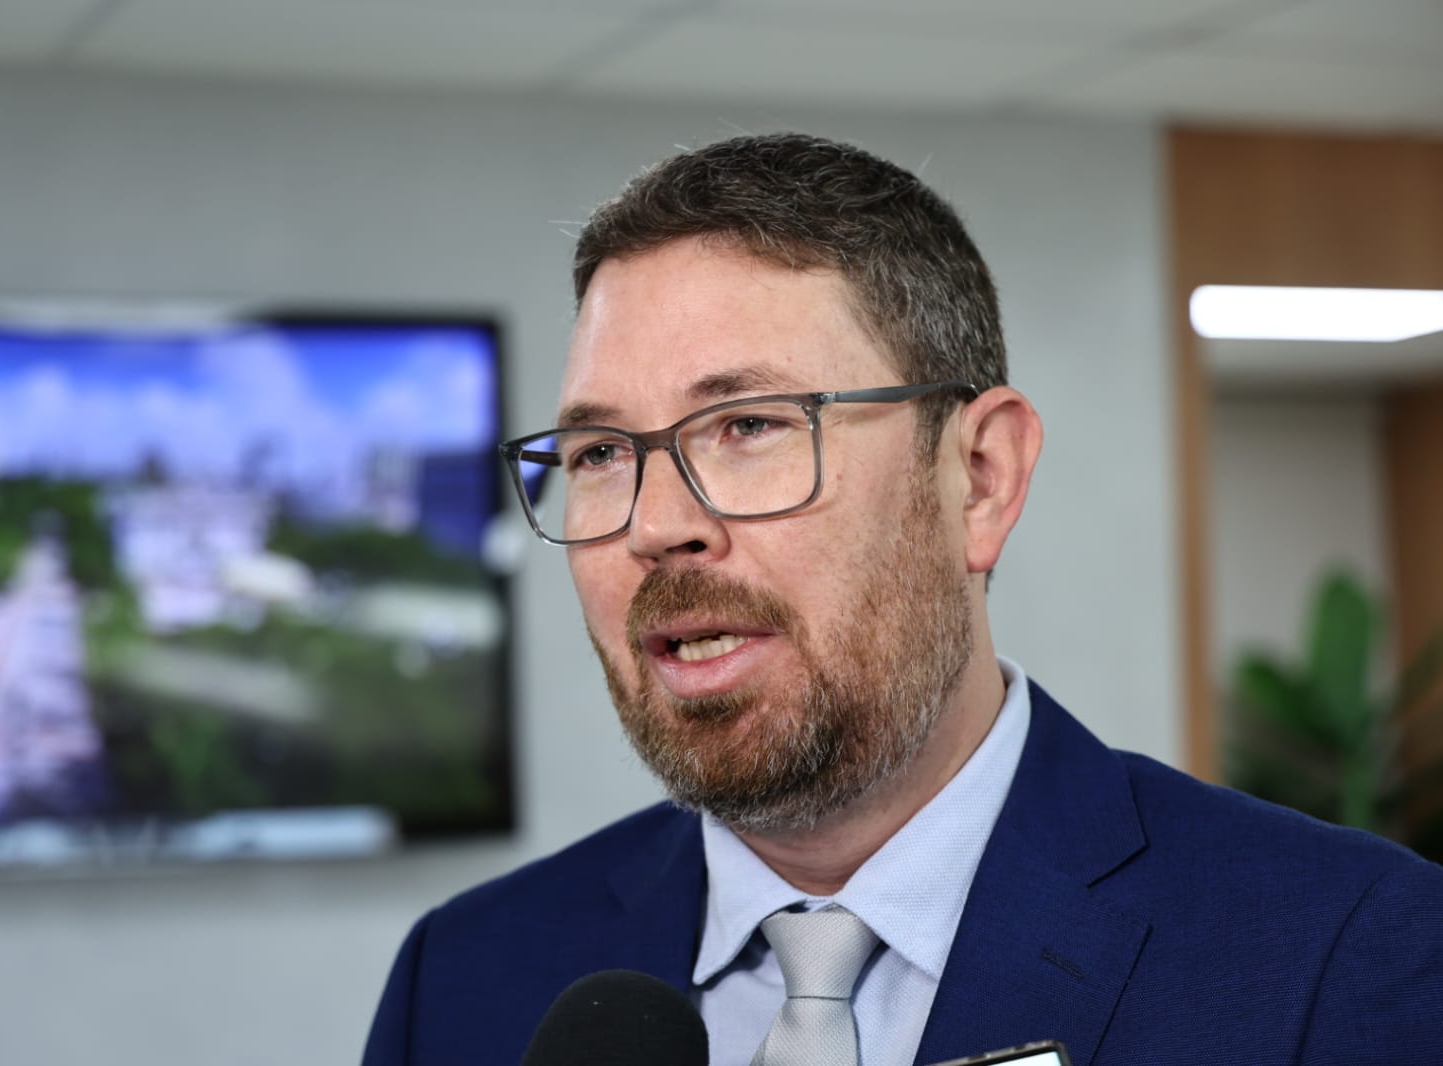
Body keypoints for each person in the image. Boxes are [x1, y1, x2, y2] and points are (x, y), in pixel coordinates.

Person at [363, 133, 1443, 1066]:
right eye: (600, 452)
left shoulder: (1348, 955)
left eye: (750, 426)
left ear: (980, 478)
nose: (655, 525)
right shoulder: (461, 982)